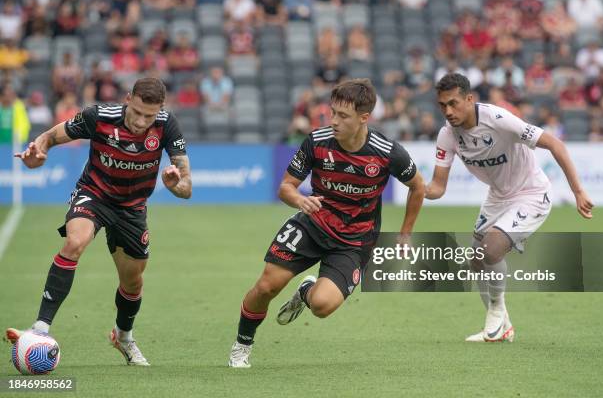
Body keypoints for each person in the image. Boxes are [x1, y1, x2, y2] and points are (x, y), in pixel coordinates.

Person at [228, 78, 425, 368]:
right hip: (313, 224)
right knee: (267, 285)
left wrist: (405, 233)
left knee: (322, 306)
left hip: (355, 241)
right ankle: (242, 345)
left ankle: (306, 291)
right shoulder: (317, 142)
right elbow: (285, 187)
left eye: (342, 116)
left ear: (364, 118)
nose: (333, 120)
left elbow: (418, 187)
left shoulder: (387, 152)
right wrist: (299, 200)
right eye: (332, 112)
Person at [6, 78, 192, 366]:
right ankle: (40, 329)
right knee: (75, 241)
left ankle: (123, 336)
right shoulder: (99, 116)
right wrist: (38, 151)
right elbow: (52, 137)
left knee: (132, 282)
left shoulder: (167, 125)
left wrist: (173, 184)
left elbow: (186, 187)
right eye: (138, 112)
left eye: (149, 115)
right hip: (94, 194)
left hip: (132, 208)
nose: (142, 121)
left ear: (161, 110)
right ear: (128, 99)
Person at [425, 73, 593, 342]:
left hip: (531, 193)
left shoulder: (498, 119)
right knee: (476, 260)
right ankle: (504, 327)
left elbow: (554, 144)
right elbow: (437, 188)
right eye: (442, 105)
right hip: (498, 197)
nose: (448, 111)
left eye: (454, 103)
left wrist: (578, 191)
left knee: (491, 250)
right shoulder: (447, 136)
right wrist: (410, 180)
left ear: (470, 99)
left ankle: (495, 310)